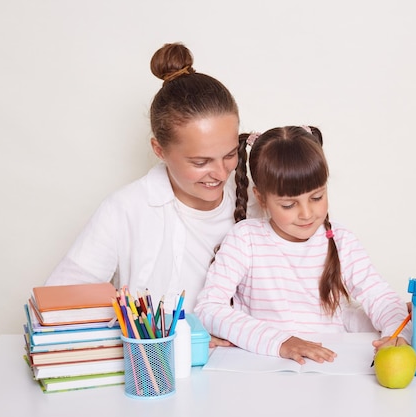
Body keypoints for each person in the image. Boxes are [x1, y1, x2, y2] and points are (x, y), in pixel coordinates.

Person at [45, 42, 259, 323]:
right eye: (200, 162)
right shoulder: (125, 209)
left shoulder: (256, 204)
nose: (221, 173)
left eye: (231, 154)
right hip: (155, 363)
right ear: (159, 150)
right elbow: (60, 301)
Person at [194, 125, 412, 365]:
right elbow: (209, 308)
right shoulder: (245, 239)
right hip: (262, 367)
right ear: (261, 198)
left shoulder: (340, 240)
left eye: (317, 197)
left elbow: (379, 296)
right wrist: (281, 342)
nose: (307, 214)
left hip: (330, 366)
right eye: (289, 205)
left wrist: (397, 334)